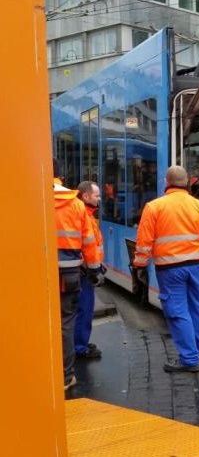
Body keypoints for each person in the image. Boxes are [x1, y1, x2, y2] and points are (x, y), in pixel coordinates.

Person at [133, 165, 199, 372]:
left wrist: (140, 265)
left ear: (166, 182)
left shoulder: (154, 207)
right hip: (196, 267)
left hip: (169, 269)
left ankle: (190, 359)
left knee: (177, 311)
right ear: (188, 182)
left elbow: (144, 241)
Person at [54, 160, 105, 390]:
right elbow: (89, 243)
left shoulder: (29, 198)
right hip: (71, 272)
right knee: (67, 318)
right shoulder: (74, 206)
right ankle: (65, 376)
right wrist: (95, 270)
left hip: (37, 273)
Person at [74, 181, 105, 359]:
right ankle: (80, 347)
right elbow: (87, 245)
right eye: (96, 195)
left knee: (83, 309)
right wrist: (94, 268)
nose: (99, 199)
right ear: (86, 196)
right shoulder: (84, 215)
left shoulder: (87, 214)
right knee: (84, 309)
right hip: (85, 271)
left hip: (85, 269)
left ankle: (81, 342)